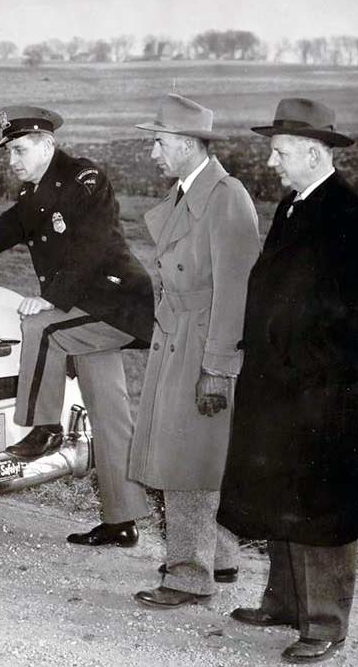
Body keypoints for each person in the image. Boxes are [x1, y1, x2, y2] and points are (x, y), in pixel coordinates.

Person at [0, 106, 153, 547]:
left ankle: (43, 426)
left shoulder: (86, 180)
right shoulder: (34, 194)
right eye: (9, 153)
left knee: (42, 326)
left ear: (48, 145)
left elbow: (92, 245)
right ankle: (122, 520)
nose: (13, 161)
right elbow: (1, 230)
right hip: (85, 310)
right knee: (110, 416)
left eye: (21, 150)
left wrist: (52, 298)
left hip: (117, 304)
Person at [217, 98, 358, 663]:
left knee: (323, 504)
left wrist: (306, 355)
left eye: (280, 153)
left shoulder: (349, 215)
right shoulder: (294, 203)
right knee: (282, 491)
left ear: (313, 152)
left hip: (320, 391)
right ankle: (284, 603)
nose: (272, 163)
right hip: (279, 384)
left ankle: (326, 623)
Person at [127, 94, 260, 609]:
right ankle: (218, 557)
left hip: (203, 344)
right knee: (193, 456)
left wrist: (217, 369)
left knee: (188, 462)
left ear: (185, 144)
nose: (153, 153)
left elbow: (236, 293)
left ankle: (188, 575)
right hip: (178, 339)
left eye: (159, 142)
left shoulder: (226, 197)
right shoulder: (191, 193)